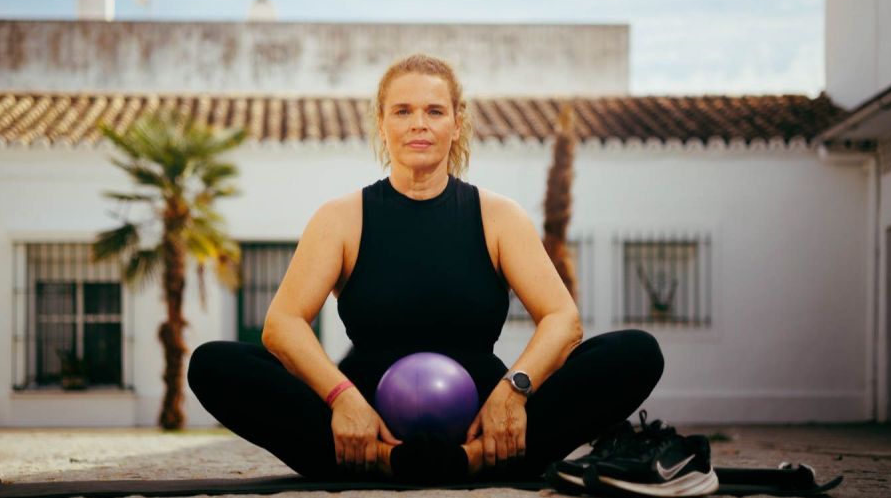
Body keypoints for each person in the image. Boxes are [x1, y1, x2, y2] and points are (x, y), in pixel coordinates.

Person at [188, 54, 666, 484]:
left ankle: (473, 458)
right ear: (382, 124)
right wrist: (342, 399)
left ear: (457, 124)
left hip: (485, 418)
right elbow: (282, 324)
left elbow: (564, 320)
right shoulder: (341, 218)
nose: (420, 124)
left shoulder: (498, 216)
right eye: (403, 111)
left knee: (635, 352)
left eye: (435, 111)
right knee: (213, 363)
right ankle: (383, 458)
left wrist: (513, 391)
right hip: (366, 420)